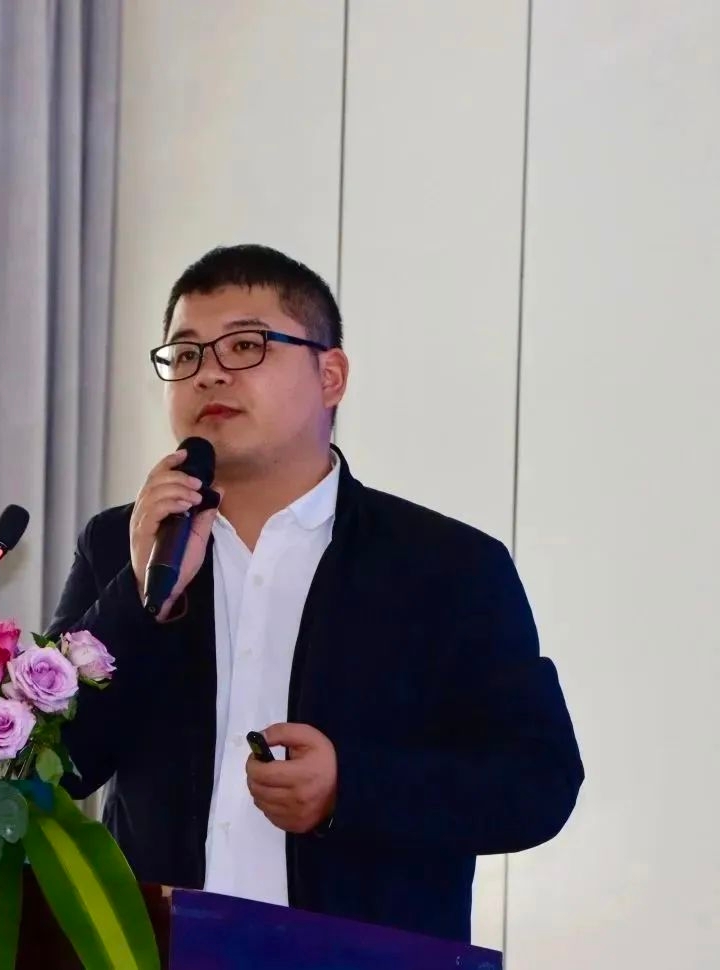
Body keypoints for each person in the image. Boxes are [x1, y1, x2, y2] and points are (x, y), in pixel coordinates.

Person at [46, 244, 583, 944]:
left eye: (245, 345)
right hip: (152, 948)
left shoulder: (447, 566)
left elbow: (536, 783)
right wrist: (142, 597)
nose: (209, 372)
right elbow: (52, 764)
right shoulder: (118, 543)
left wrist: (348, 788)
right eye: (185, 354)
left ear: (330, 376)